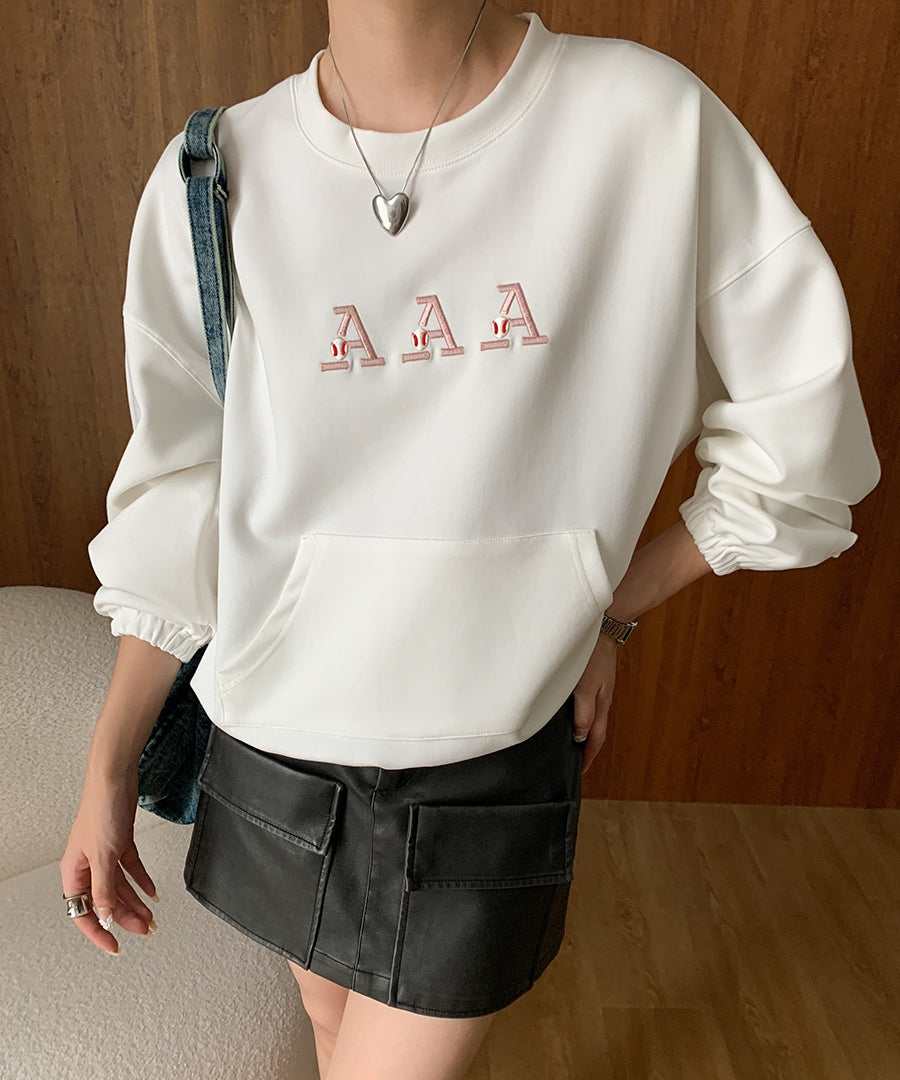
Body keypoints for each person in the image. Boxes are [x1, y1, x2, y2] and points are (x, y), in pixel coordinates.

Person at [61, 2, 881, 1078]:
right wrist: (107, 765)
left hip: (483, 763)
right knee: (330, 1031)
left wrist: (606, 605)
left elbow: (802, 430)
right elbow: (182, 499)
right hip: (271, 750)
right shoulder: (214, 173)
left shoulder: (642, 123)